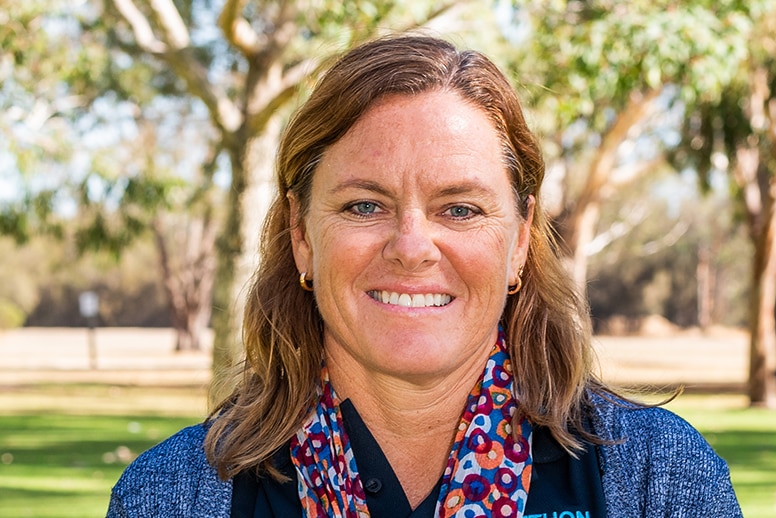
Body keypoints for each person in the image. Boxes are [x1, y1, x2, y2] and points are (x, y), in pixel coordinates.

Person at [107, 34, 742, 517]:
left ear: (519, 241)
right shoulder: (178, 494)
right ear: (302, 236)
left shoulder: (653, 480)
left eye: (460, 209)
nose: (412, 247)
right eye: (364, 206)